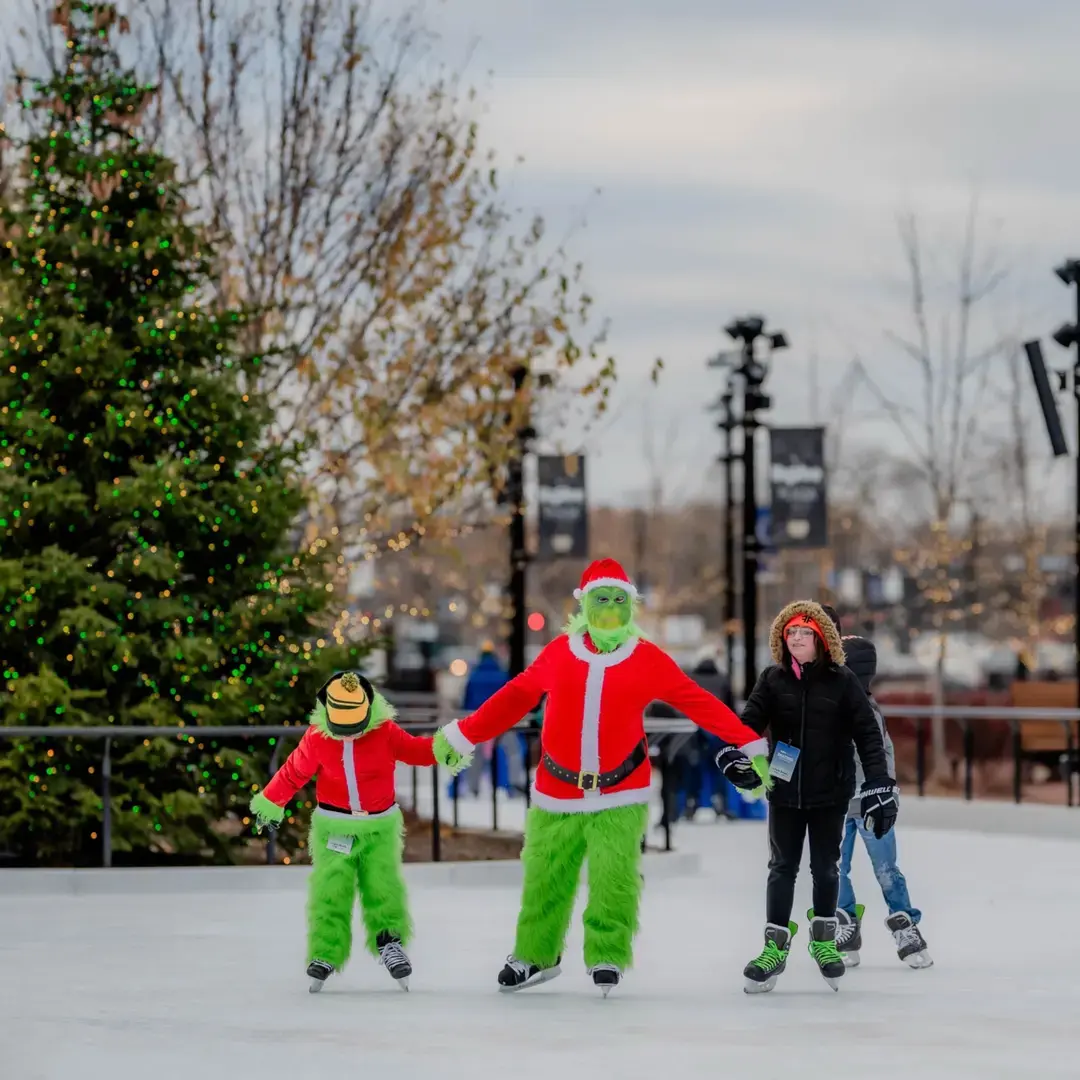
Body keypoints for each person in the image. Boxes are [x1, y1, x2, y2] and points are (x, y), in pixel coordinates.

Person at [432, 558, 769, 996]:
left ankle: (607, 953)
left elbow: (698, 702)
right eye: (601, 599)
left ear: (630, 605)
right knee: (545, 877)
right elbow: (514, 698)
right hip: (557, 791)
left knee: (614, 877)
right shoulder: (559, 653)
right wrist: (464, 734)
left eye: (617, 599)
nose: (609, 607)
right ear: (585, 605)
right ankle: (535, 954)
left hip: (621, 791)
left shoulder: (647, 659)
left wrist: (748, 744)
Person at [249, 670, 468, 993]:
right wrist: (271, 802)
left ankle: (389, 942)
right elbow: (294, 771)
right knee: (330, 891)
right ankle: (325, 951)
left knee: (383, 887)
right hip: (334, 828)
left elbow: (415, 751)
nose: (348, 735)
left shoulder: (385, 732)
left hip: (379, 828)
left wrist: (444, 748)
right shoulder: (317, 737)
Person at [731, 600, 897, 993]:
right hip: (785, 790)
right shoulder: (772, 679)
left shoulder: (842, 680)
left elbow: (868, 735)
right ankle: (774, 947)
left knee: (826, 867)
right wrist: (733, 754)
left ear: (822, 638)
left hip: (830, 791)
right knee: (782, 866)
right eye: (790, 633)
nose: (797, 639)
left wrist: (880, 784)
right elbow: (748, 724)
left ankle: (824, 940)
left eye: (805, 633)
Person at [819, 605, 933, 970]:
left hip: (868, 799)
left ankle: (905, 923)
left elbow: (883, 751)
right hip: (834, 802)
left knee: (885, 868)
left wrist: (886, 790)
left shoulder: (864, 710)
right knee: (834, 868)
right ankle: (846, 922)